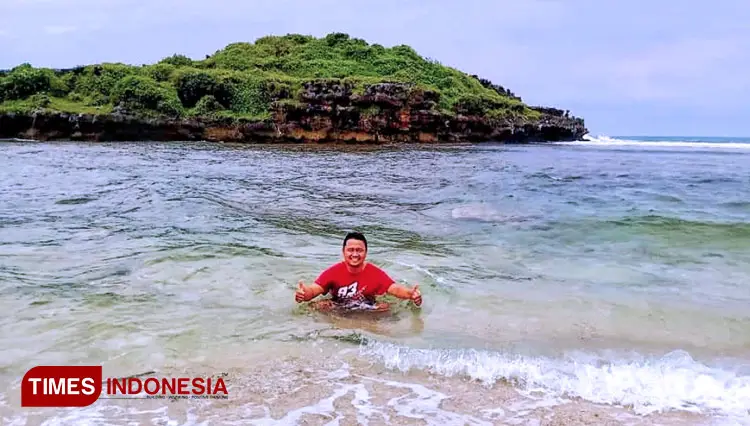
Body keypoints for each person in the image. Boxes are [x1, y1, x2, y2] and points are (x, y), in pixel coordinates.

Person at [295, 232, 422, 309]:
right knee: (318, 306)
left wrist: (411, 294)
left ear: (366, 253)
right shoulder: (333, 272)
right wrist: (304, 294)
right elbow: (314, 289)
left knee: (385, 307)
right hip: (339, 306)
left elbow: (394, 289)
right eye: (351, 250)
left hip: (366, 307)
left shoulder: (375, 273)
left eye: (359, 250)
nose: (355, 254)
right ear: (343, 252)